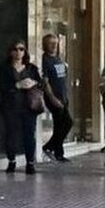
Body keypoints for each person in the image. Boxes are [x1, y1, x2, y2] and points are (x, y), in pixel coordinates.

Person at [0, 40, 43, 175]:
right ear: (10, 52)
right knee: (10, 134)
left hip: (29, 106)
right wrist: (17, 85)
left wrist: (32, 83)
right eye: (15, 49)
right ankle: (12, 161)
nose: (18, 52)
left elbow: (41, 84)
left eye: (21, 49)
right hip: (10, 106)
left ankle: (30, 163)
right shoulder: (4, 68)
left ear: (25, 51)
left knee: (29, 135)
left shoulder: (31, 68)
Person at [40, 34, 73, 162]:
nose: (54, 45)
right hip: (54, 98)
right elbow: (45, 82)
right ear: (45, 45)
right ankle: (49, 147)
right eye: (50, 43)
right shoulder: (45, 60)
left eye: (55, 43)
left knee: (62, 125)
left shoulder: (59, 59)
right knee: (66, 123)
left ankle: (58, 152)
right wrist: (52, 98)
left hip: (63, 96)